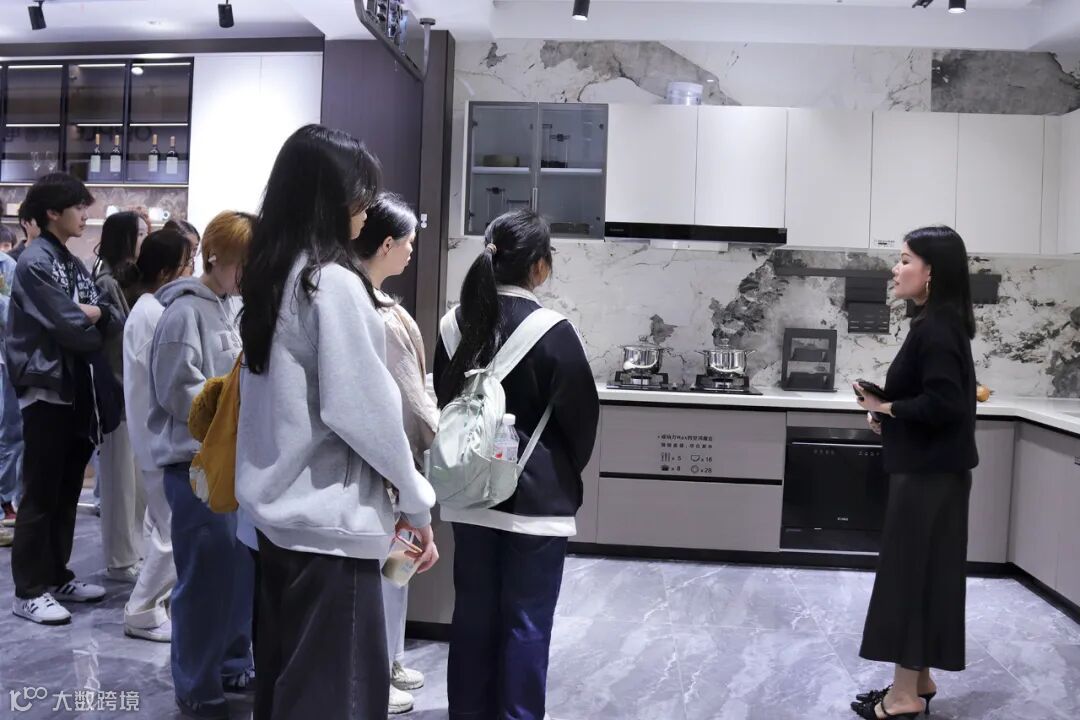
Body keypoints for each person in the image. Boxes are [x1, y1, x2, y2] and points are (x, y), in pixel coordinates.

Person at [235, 124, 438, 720]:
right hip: (330, 530)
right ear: (328, 197)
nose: (366, 209)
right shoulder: (334, 284)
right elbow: (365, 412)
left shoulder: (276, 276)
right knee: (336, 700)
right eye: (359, 193)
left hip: (276, 523)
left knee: (286, 691)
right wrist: (416, 503)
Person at [433, 210, 599, 720]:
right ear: (539, 267)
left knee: (472, 619)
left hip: (469, 494)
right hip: (535, 502)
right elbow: (581, 422)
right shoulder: (554, 331)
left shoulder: (453, 325)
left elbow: (445, 400)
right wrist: (558, 471)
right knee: (526, 625)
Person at [851, 225, 979, 720]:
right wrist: (887, 411)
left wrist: (888, 408)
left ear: (932, 272)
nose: (895, 268)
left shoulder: (936, 328)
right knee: (927, 575)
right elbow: (934, 400)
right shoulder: (937, 322)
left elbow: (945, 404)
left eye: (905, 259)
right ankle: (918, 680)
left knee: (910, 578)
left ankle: (903, 698)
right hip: (935, 473)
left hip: (928, 479)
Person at [147, 210, 256, 719]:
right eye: (243, 262)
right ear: (215, 256)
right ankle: (194, 682)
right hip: (194, 465)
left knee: (236, 573)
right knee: (205, 578)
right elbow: (177, 393)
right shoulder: (183, 313)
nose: (248, 273)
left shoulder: (230, 307)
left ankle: (232, 663)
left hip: (230, 463)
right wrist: (230, 405)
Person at [5, 173, 124, 625]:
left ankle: (56, 575)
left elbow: (110, 315)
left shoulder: (70, 261)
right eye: (78, 207)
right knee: (41, 491)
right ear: (52, 212)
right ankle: (28, 590)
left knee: (67, 487)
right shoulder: (35, 262)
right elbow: (72, 327)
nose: (85, 215)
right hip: (47, 385)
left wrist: (93, 316)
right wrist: (92, 319)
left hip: (75, 385)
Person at [356, 193, 440, 715]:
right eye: (408, 242)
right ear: (386, 244)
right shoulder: (380, 315)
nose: (412, 251)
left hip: (389, 466)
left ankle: (389, 659)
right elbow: (408, 401)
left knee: (395, 571)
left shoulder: (371, 303)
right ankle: (377, 667)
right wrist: (434, 436)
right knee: (385, 576)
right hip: (388, 465)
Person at [121, 228, 193, 643]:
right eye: (187, 263)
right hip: (157, 438)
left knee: (161, 526)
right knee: (170, 530)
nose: (192, 271)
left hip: (152, 436)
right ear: (166, 271)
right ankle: (142, 609)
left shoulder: (149, 308)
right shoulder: (153, 313)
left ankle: (153, 604)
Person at [94, 211, 150, 584]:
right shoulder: (106, 282)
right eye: (140, 233)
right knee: (119, 483)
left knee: (136, 482)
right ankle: (119, 558)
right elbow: (114, 342)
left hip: (133, 390)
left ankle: (132, 552)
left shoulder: (128, 281)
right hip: (117, 391)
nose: (145, 239)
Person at [0, 234, 21, 538]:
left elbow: (14, 313)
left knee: (10, 434)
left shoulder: (7, 266)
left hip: (6, 360)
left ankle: (5, 499)